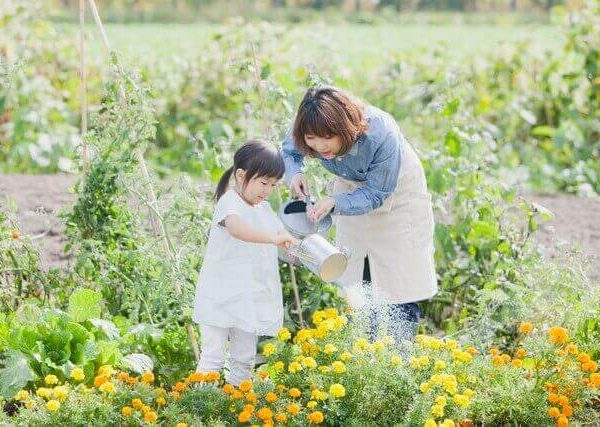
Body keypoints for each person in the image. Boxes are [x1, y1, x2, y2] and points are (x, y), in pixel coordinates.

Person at [281, 86, 438, 342]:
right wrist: (295, 173)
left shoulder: (380, 132)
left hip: (396, 193)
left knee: (399, 282)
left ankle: (401, 360)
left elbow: (378, 192)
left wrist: (335, 202)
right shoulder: (310, 123)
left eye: (328, 137)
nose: (320, 147)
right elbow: (289, 150)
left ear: (345, 127)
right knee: (357, 275)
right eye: (311, 139)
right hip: (349, 189)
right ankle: (367, 356)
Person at [193, 140, 297, 385]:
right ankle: (199, 409)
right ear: (241, 175)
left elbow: (282, 238)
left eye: (273, 185)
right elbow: (237, 229)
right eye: (263, 182)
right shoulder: (230, 202)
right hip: (220, 295)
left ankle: (236, 407)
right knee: (213, 357)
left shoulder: (264, 209)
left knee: (244, 359)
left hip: (248, 298)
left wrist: (293, 244)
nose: (267, 190)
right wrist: (273, 238)